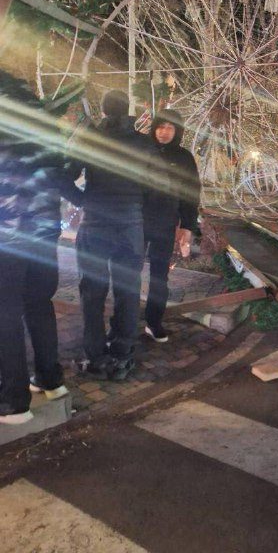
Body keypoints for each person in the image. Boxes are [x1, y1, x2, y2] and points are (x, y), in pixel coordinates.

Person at [0, 71, 71, 424]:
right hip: (44, 231)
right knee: (39, 304)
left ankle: (14, 401)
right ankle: (50, 380)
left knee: (5, 314)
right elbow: (60, 171)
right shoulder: (45, 120)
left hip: (8, 235)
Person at [72, 90, 153, 381]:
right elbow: (156, 184)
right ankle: (122, 351)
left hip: (96, 224)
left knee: (92, 292)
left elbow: (64, 176)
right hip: (130, 224)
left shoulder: (91, 138)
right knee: (128, 289)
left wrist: (83, 201)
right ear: (128, 110)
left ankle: (95, 356)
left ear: (104, 111)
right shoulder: (144, 143)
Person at [143, 109, 200, 342]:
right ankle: (121, 323)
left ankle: (154, 321)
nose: (164, 132)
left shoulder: (184, 157)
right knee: (127, 272)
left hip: (165, 223)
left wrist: (187, 225)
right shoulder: (142, 150)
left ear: (177, 131)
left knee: (159, 276)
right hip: (137, 221)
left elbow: (190, 193)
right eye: (160, 126)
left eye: (170, 128)